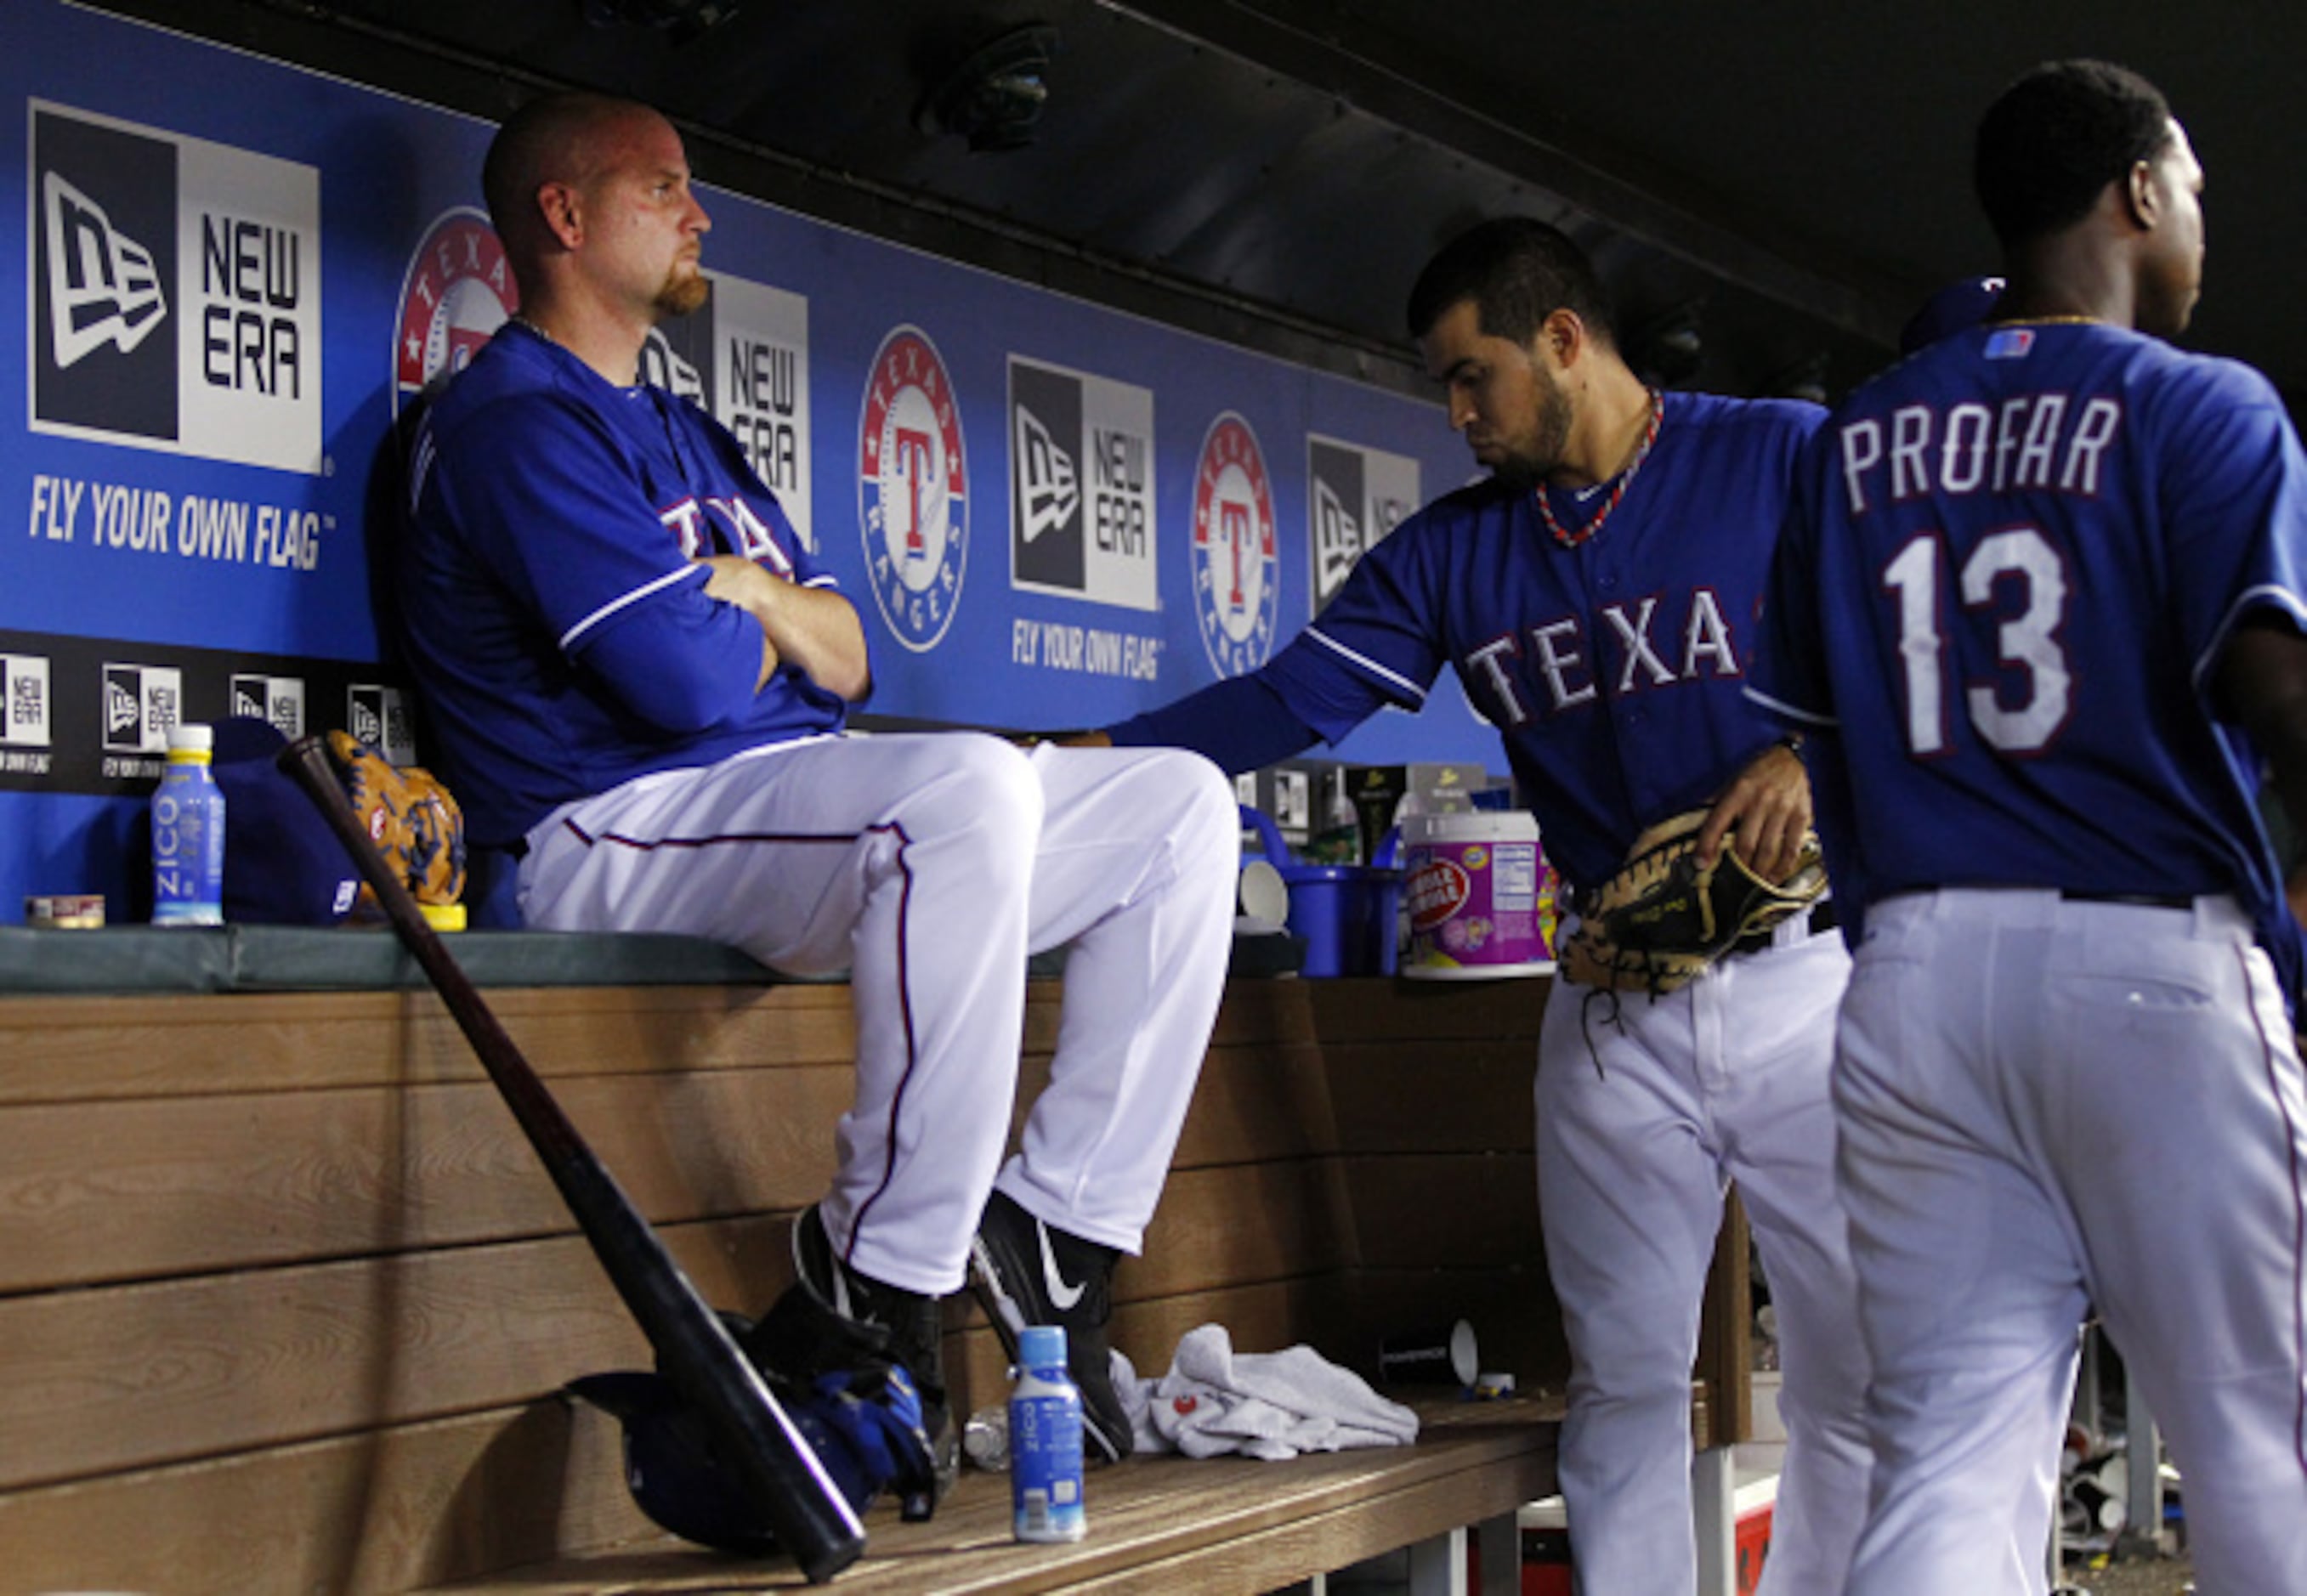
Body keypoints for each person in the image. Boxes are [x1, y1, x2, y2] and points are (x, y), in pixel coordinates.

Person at [394, 90, 1239, 1481]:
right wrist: (756, 618)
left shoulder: (687, 432)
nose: (697, 212)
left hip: (780, 797)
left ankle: (1051, 1232)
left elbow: (846, 655)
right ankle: (874, 1278)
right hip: (602, 824)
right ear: (563, 216)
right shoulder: (508, 420)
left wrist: (737, 594)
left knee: (1181, 808)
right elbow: (675, 684)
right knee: (961, 788)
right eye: (663, 186)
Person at [1090, 217, 1870, 1595]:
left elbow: (1915, 632)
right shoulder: (1457, 554)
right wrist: (1088, 766)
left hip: (1807, 976)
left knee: (1855, 1372)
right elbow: (1288, 698)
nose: (1456, 413)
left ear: (1563, 339)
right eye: (1444, 387)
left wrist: (1814, 748)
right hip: (1616, 1006)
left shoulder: (1777, 453)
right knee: (1621, 1390)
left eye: (1472, 377)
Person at [1749, 59, 2307, 1593]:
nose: (2200, 219)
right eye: (2189, 185)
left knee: (1946, 1449)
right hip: (2145, 960)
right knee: (2262, 1432)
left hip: (1916, 982)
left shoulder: (1850, 439)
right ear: (2133, 193)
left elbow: (1820, 739)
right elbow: (2277, 689)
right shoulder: (2201, 405)